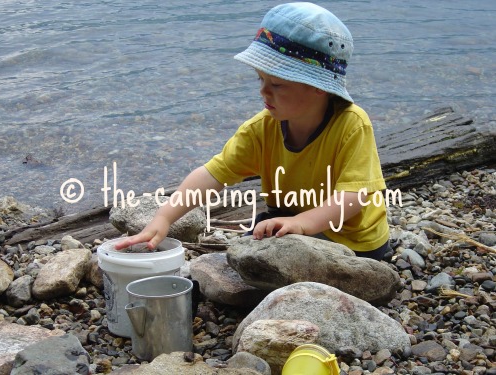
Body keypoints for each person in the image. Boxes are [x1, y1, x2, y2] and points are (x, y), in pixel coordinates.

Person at [116, 2, 390, 260]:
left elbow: (353, 198)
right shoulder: (263, 127)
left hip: (352, 240)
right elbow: (213, 174)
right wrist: (164, 217)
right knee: (252, 254)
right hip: (288, 217)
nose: (263, 91)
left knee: (269, 260)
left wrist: (301, 223)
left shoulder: (351, 123)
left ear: (319, 87)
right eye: (261, 78)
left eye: (277, 84)